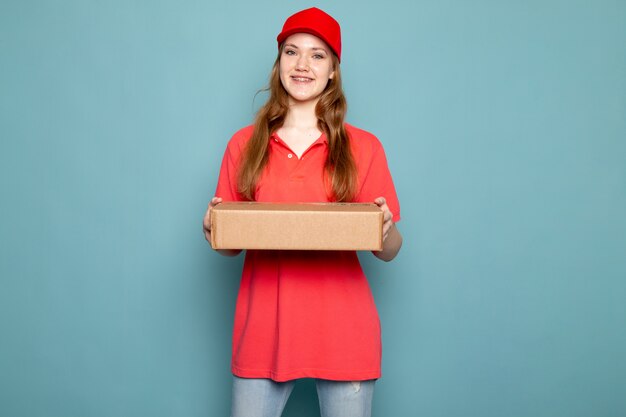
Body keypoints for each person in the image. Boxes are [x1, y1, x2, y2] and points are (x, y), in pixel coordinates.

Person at [202, 7, 402, 417]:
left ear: (333, 71)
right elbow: (230, 247)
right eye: (292, 52)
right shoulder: (244, 145)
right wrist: (214, 231)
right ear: (279, 66)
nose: (303, 65)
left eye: (317, 55)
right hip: (262, 333)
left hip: (344, 332)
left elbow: (391, 248)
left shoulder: (364, 147)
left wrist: (384, 229)